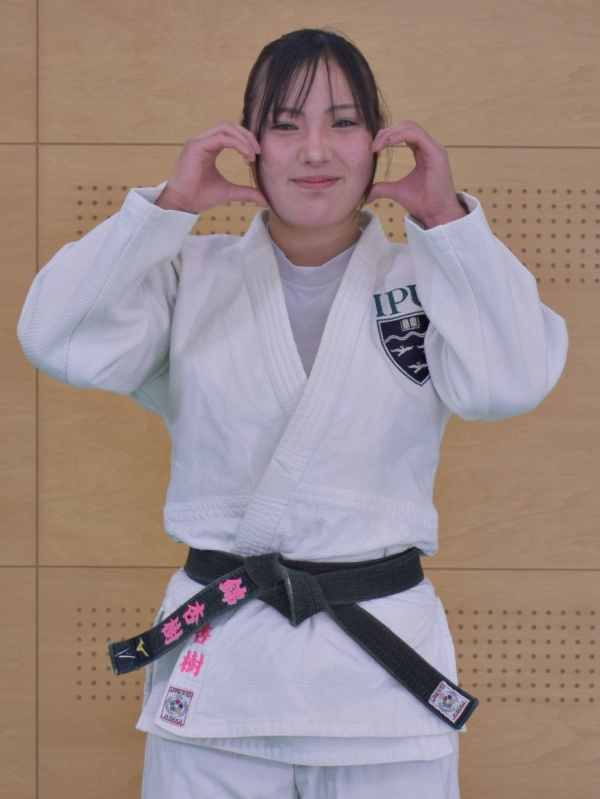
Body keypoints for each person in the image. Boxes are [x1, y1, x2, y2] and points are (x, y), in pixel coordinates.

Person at [17, 26, 568, 799]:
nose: (314, 150)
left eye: (343, 122)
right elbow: (56, 338)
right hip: (225, 672)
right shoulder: (190, 275)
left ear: (378, 143)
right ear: (248, 145)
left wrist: (448, 223)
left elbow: (511, 381)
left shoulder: (428, 280)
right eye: (285, 124)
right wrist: (168, 210)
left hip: (383, 678)